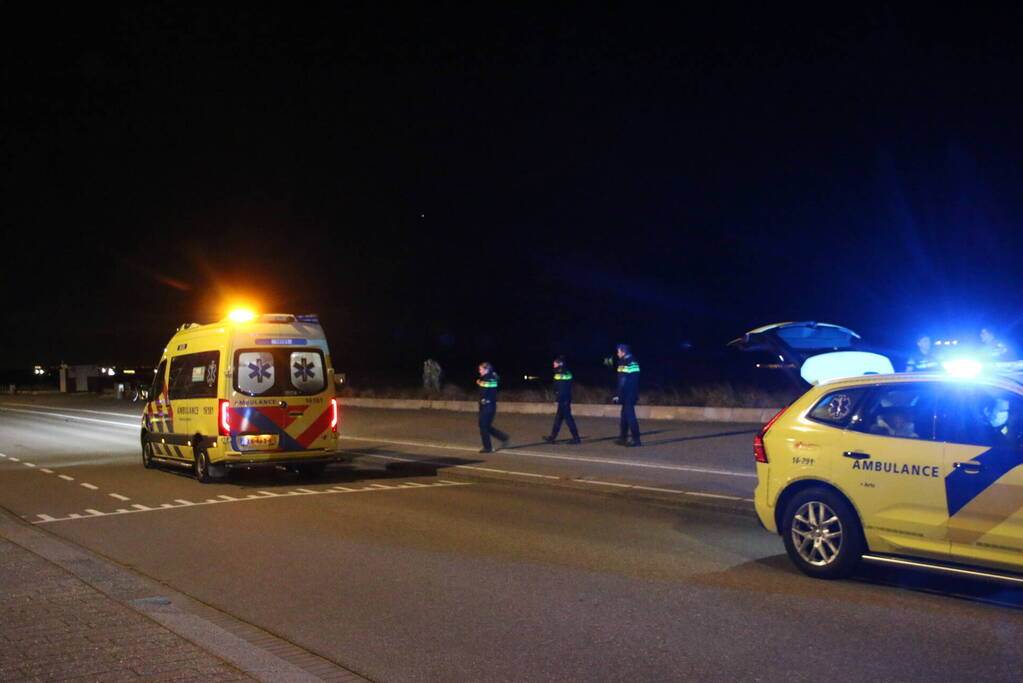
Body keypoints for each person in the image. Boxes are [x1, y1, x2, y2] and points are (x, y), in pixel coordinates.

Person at [542, 355, 581, 445]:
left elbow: (560, 389)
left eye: (555, 364)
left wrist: (557, 400)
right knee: (558, 419)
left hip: (563, 400)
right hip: (566, 399)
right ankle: (552, 437)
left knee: (568, 419)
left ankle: (576, 438)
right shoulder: (568, 373)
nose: (553, 365)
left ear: (560, 364)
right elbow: (568, 387)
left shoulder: (559, 374)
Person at [476, 362, 509, 453]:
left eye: (481, 369)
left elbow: (483, 392)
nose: (479, 371)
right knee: (485, 426)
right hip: (490, 406)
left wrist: (479, 383)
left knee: (483, 426)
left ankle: (488, 447)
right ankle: (503, 437)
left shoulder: (487, 379)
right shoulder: (492, 377)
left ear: (486, 370)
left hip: (487, 406)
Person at [613, 344, 642, 447]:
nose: (617, 353)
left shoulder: (631, 363)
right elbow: (621, 381)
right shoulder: (623, 362)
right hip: (625, 394)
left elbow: (628, 382)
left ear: (623, 352)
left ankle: (636, 440)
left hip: (629, 394)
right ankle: (623, 438)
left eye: (618, 351)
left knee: (630, 417)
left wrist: (620, 395)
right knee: (624, 417)